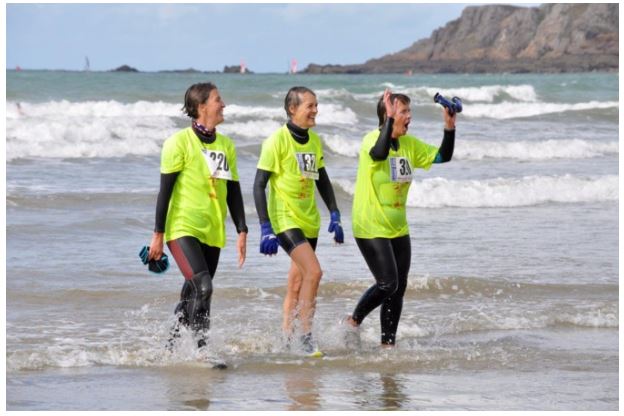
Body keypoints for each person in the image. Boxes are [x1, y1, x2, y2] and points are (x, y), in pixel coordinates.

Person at [344, 88, 457, 347]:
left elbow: (443, 156)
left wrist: (449, 128)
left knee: (398, 288)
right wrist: (387, 122)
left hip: (397, 227)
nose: (409, 116)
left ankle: (388, 344)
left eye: (409, 111)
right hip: (370, 225)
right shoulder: (371, 140)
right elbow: (380, 154)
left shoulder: (409, 144)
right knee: (387, 284)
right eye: (404, 111)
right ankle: (353, 321)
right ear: (389, 115)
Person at [147, 82, 248, 349]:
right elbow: (164, 192)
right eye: (218, 99)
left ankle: (171, 347)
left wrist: (242, 229)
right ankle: (203, 351)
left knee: (192, 294)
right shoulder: (178, 143)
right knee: (204, 287)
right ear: (202, 106)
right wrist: (157, 237)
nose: (223, 104)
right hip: (183, 229)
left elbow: (234, 190)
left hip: (212, 231)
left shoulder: (226, 145)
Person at [253, 86, 344, 355]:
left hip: (309, 220)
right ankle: (305, 337)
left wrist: (335, 213)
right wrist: (265, 227)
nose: (315, 110)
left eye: (317, 105)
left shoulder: (314, 141)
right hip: (285, 219)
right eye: (310, 106)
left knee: (296, 282)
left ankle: (285, 338)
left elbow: (323, 180)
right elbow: (259, 185)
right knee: (314, 272)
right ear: (293, 109)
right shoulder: (276, 141)